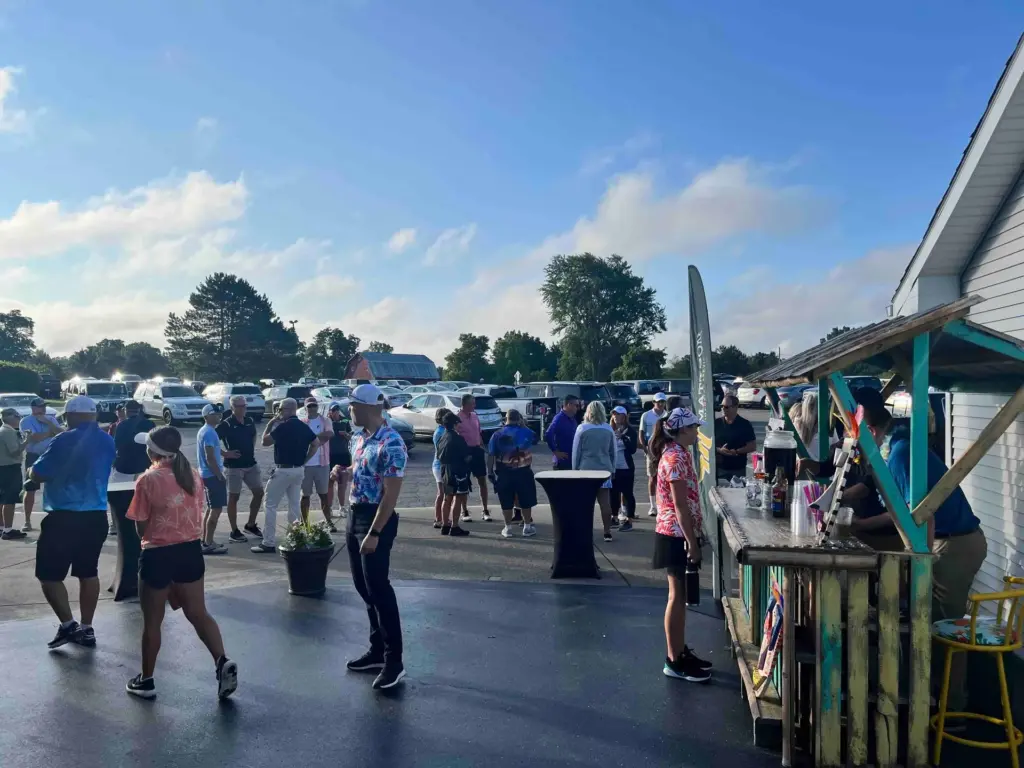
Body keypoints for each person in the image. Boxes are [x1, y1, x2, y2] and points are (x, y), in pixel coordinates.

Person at [858, 404, 986, 714]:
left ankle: (950, 711)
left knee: (941, 627)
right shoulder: (900, 446)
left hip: (954, 543)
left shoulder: (900, 454)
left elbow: (920, 515)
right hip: (950, 540)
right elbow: (906, 511)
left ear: (871, 431)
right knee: (931, 621)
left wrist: (918, 564)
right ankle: (933, 701)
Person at [125, 426, 238, 700]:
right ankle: (222, 660)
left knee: (153, 622)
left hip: (158, 554)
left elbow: (141, 527)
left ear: (152, 451)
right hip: (190, 551)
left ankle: (146, 680)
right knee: (198, 613)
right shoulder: (193, 474)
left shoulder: (147, 480)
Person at [28, 395, 115, 649]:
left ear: (73, 416)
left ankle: (68, 625)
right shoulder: (107, 439)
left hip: (64, 516)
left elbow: (40, 472)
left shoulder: (64, 439)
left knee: (48, 575)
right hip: (96, 515)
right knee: (88, 572)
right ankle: (87, 628)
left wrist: (30, 472)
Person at [344, 384, 408, 690]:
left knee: (379, 589)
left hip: (375, 519)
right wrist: (345, 472)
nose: (349, 410)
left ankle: (394, 662)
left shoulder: (391, 442)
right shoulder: (360, 437)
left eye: (353, 406)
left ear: (368, 408)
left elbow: (391, 495)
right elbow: (363, 470)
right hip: (355, 514)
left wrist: (375, 533)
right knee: (363, 587)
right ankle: (377, 650)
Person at [651, 407, 712, 683]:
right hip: (675, 534)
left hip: (679, 532)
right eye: (694, 427)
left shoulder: (679, 453)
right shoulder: (675, 457)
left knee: (680, 596)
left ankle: (678, 651)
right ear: (683, 429)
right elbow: (679, 505)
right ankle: (674, 660)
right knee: (676, 597)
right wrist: (692, 542)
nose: (697, 432)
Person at [251, 398, 325, 554]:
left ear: (287, 409)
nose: (279, 412)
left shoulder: (283, 427)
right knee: (294, 504)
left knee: (270, 504)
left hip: (283, 470)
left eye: (280, 409)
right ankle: (295, 539)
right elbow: (316, 443)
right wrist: (305, 460)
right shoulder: (304, 427)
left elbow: (265, 442)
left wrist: (270, 423)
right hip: (298, 470)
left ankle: (268, 542)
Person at [216, 395, 264, 543]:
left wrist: (251, 447)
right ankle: (234, 531)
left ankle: (250, 525)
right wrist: (225, 453)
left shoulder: (249, 421)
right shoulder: (226, 424)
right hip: (233, 467)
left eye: (244, 406)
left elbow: (254, 435)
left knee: (259, 492)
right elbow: (211, 442)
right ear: (232, 408)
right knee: (234, 497)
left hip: (250, 464)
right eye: (240, 406)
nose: (243, 409)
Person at [108, 400, 156, 540]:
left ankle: (116, 524)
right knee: (143, 498)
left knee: (117, 497)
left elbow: (117, 446)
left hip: (124, 467)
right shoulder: (149, 424)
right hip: (144, 466)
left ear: (126, 410)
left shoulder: (122, 425)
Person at [486, 409, 538, 539]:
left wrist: (490, 472)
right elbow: (536, 438)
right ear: (518, 419)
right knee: (526, 499)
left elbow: (491, 455)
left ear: (506, 419)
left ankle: (508, 528)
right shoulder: (526, 432)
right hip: (524, 471)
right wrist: (524, 425)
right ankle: (527, 526)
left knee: (506, 500)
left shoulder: (497, 434)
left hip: (504, 472)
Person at [572, 401, 617, 542]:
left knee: (585, 503)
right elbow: (613, 451)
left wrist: (574, 469)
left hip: (586, 469)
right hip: (604, 469)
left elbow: (576, 452)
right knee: (605, 503)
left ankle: (585, 531)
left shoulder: (582, 428)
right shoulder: (608, 429)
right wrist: (613, 469)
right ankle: (607, 531)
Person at [196, 404, 237, 555]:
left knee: (210, 508)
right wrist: (219, 475)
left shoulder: (206, 430)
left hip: (207, 475)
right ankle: (208, 543)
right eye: (215, 414)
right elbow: (209, 456)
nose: (219, 416)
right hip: (212, 475)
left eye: (219, 414)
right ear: (206, 416)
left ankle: (206, 540)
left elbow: (213, 450)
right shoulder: (209, 432)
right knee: (216, 510)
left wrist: (225, 454)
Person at [18, 397, 63, 533]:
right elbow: (34, 438)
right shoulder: (26, 421)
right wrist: (50, 432)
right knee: (30, 488)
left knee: (56, 487)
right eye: (40, 406)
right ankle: (27, 521)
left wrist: (48, 423)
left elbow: (61, 433)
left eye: (44, 406)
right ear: (33, 408)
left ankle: (56, 519)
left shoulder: (51, 419)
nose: (43, 409)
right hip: (34, 456)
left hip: (51, 456)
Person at [300, 397, 336, 532]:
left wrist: (312, 438)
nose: (312, 408)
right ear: (305, 408)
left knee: (323, 495)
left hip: (322, 464)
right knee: (305, 495)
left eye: (314, 405)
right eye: (309, 406)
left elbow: (330, 433)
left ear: (317, 406)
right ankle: (305, 523)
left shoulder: (325, 420)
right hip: (306, 464)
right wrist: (317, 438)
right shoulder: (302, 422)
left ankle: (329, 521)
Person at [435, 411, 472, 537]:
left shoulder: (442, 437)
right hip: (458, 471)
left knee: (447, 498)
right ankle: (454, 526)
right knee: (458, 497)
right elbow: (466, 457)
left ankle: (445, 525)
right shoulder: (458, 438)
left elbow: (438, 455)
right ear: (454, 424)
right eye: (458, 423)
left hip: (445, 470)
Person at [456, 394, 491, 522]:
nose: (474, 406)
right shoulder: (457, 418)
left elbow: (478, 433)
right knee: (464, 482)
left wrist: (482, 447)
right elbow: (455, 437)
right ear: (465, 404)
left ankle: (485, 509)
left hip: (477, 451)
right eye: (472, 403)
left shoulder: (475, 416)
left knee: (482, 480)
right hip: (464, 453)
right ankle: (464, 510)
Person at [0, 407, 32, 540]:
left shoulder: (3, 430)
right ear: (10, 417)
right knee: (9, 500)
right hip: (10, 468)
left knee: (2, 499)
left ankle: (2, 527)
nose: (18, 419)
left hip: (3, 468)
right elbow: (14, 452)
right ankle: (8, 530)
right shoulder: (8, 432)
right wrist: (27, 440)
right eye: (17, 416)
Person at [714, 395, 756, 482]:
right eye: (721, 406)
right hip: (719, 468)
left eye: (726, 407)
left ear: (735, 407)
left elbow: (752, 446)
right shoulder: (716, 423)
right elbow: (708, 443)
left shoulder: (745, 424)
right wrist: (719, 450)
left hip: (738, 469)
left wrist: (736, 451)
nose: (723, 409)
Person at [639, 392, 668, 516]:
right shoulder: (646, 415)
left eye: (662, 402)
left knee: (665, 478)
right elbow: (641, 433)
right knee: (652, 477)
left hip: (665, 450)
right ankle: (653, 506)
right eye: (658, 402)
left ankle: (663, 504)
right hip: (651, 450)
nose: (660, 404)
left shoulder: (668, 415)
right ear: (653, 402)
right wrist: (646, 450)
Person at [610, 405, 638, 531]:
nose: (616, 417)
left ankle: (629, 520)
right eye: (614, 414)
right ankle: (614, 517)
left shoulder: (630, 431)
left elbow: (632, 450)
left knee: (627, 493)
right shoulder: (609, 430)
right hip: (613, 467)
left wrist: (623, 437)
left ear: (624, 416)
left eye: (618, 414)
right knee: (613, 493)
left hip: (626, 467)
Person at [326, 402, 352, 520]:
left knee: (342, 483)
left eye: (337, 410)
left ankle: (342, 507)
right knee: (329, 483)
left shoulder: (345, 421)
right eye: (333, 410)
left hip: (343, 455)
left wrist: (345, 434)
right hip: (329, 455)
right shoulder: (327, 422)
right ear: (330, 412)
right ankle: (329, 508)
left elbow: (351, 437)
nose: (335, 412)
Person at [544, 395, 579, 470]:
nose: (577, 408)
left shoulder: (572, 419)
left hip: (571, 461)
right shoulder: (559, 418)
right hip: (562, 462)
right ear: (569, 405)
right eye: (576, 405)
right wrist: (555, 451)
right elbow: (548, 434)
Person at [430, 408, 451, 529]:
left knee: (444, 493)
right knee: (442, 493)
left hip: (441, 465)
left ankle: (443, 517)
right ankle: (438, 519)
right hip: (439, 465)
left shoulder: (443, 430)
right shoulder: (440, 432)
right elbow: (442, 451)